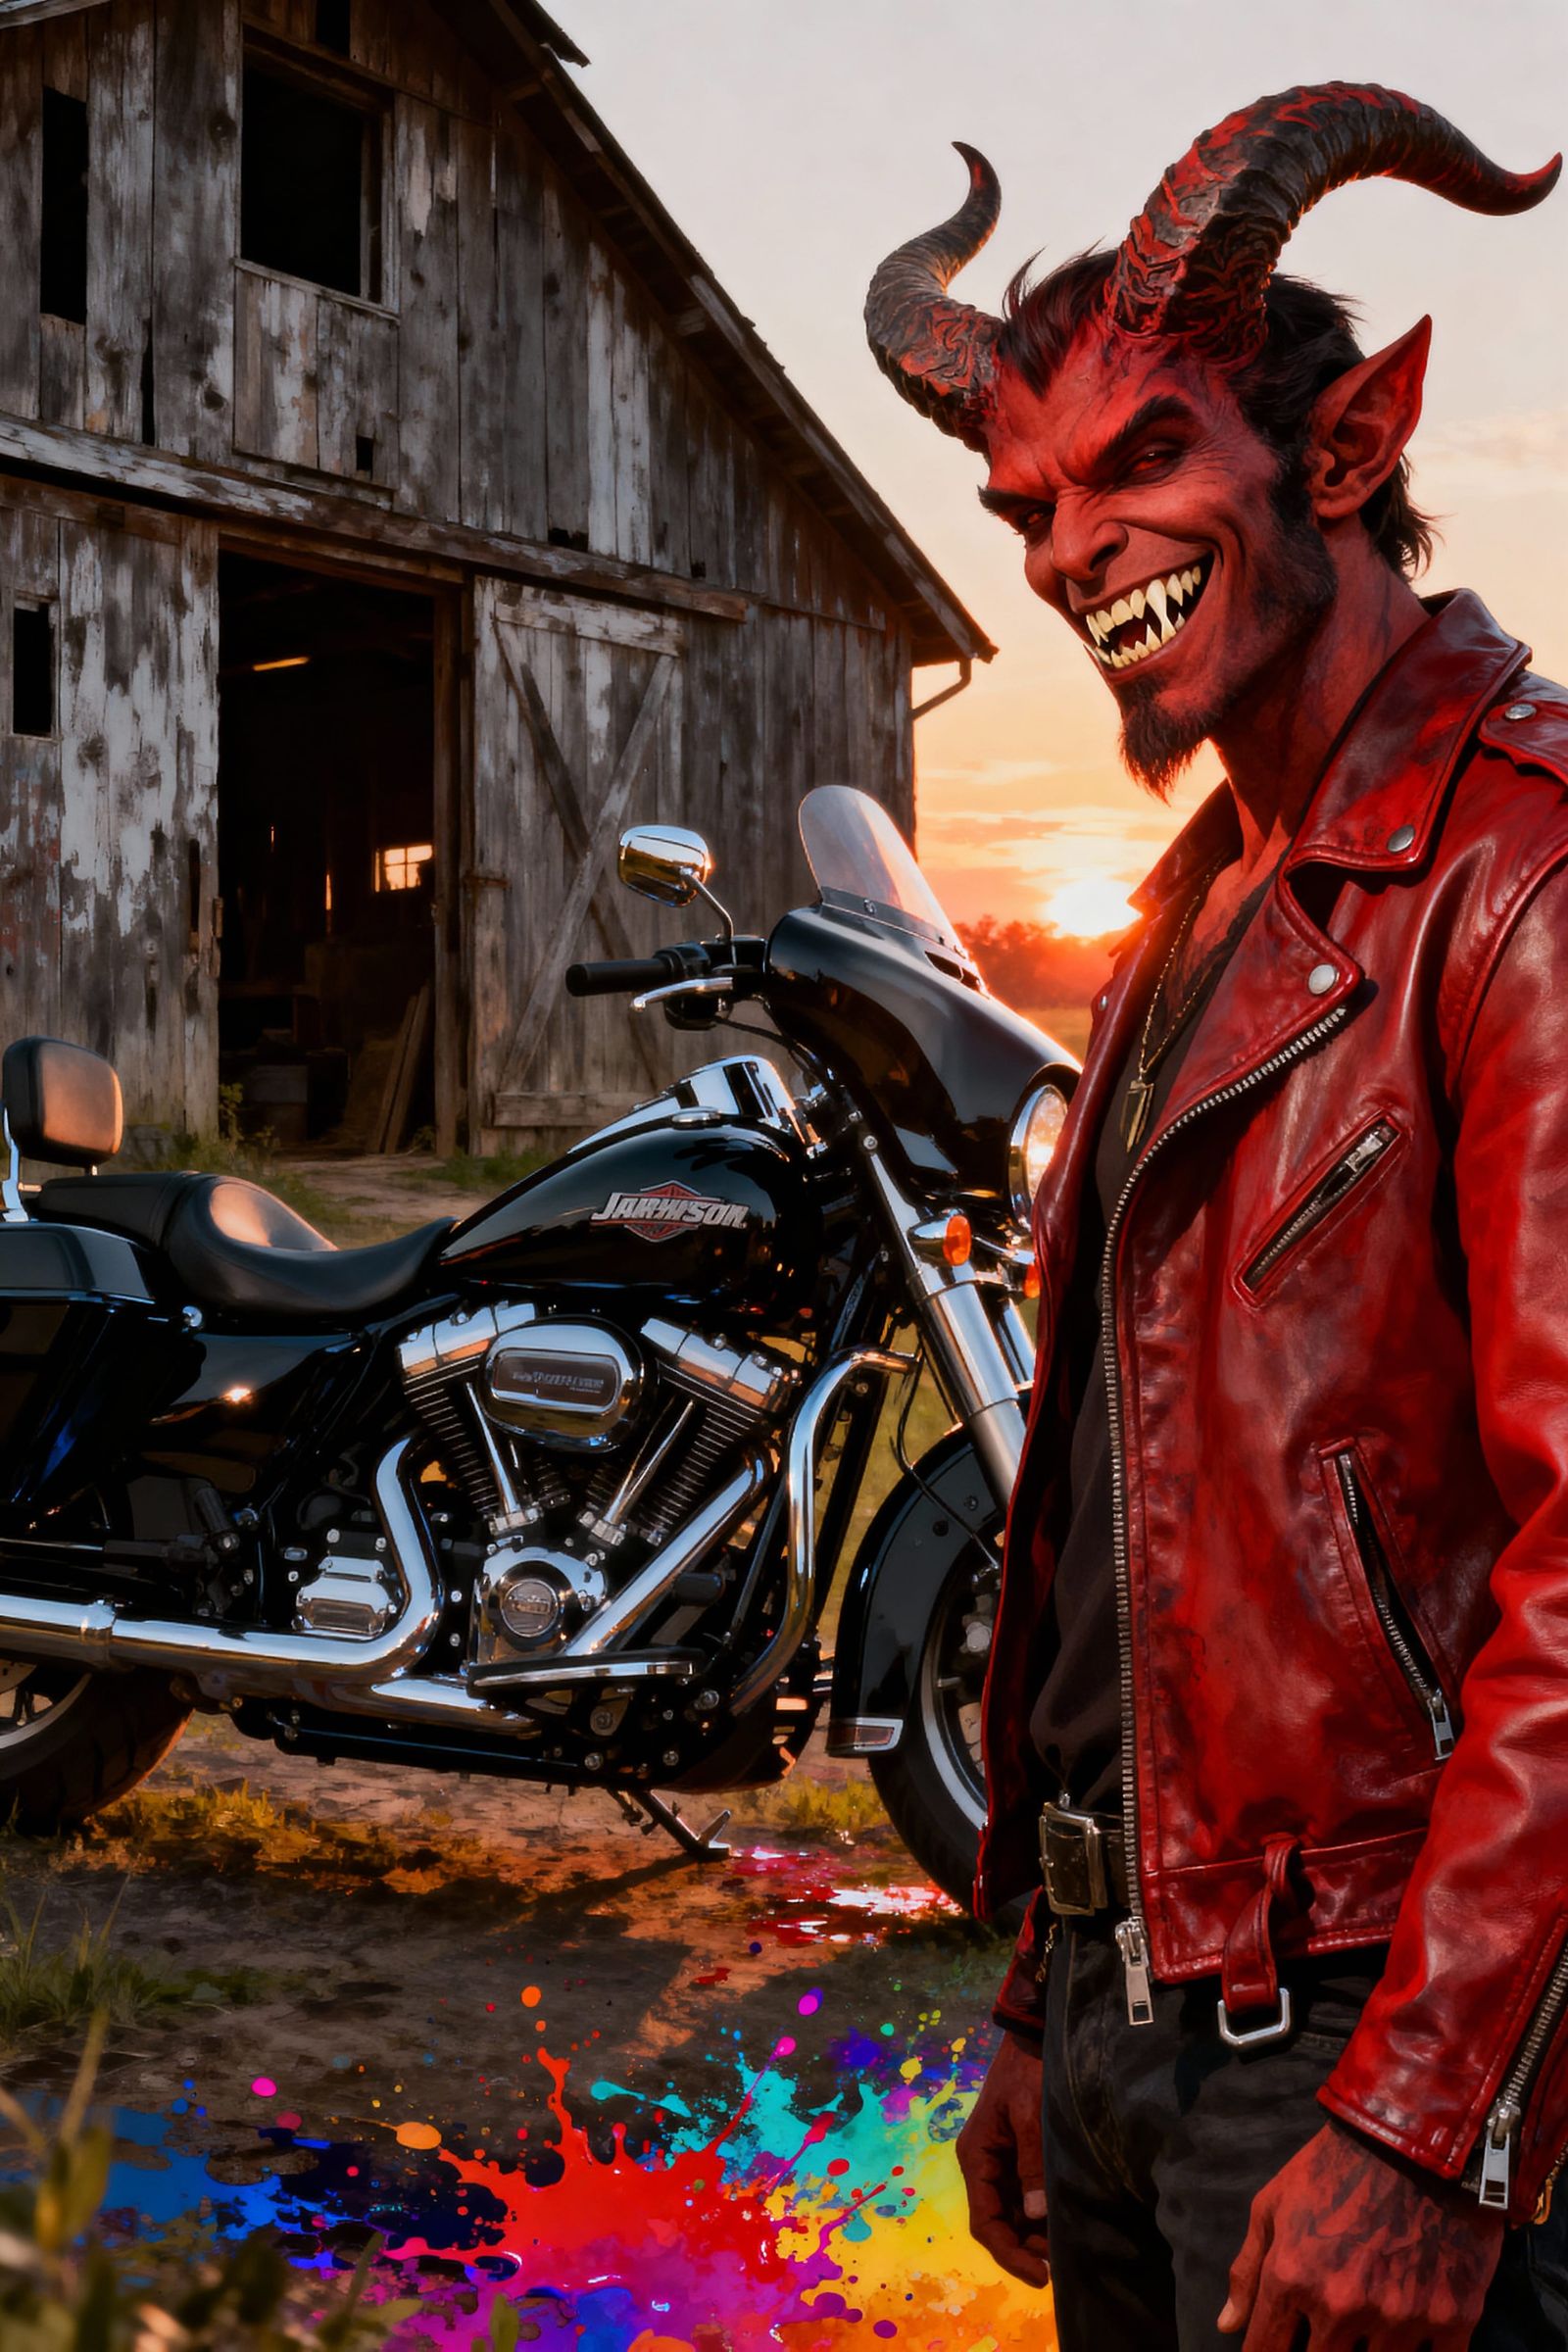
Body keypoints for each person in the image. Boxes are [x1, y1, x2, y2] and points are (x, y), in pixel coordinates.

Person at [864, 84, 1568, 2351]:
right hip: (1129, 2013)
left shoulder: (1516, 871)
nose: (1068, 555)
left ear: (1342, 449)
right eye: (1028, 508)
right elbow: (1115, 1513)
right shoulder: (1182, 914)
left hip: (1362, 2035)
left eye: (1136, 467)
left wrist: (1423, 2120)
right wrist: (1034, 1993)